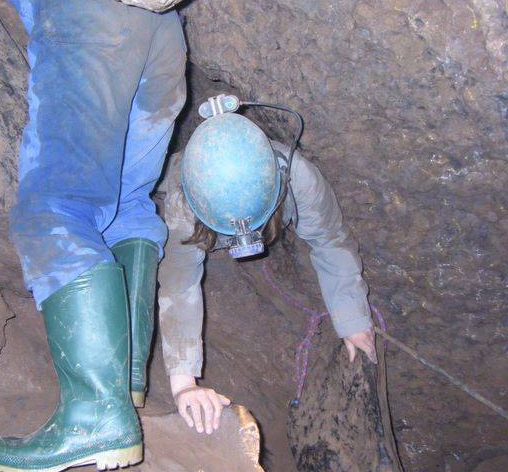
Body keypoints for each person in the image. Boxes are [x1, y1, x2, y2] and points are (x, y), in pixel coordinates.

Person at [0, 0, 213, 471]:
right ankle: (125, 376)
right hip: (162, 31)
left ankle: (96, 416)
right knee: (127, 201)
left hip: (89, 16)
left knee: (56, 203)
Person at [155, 110, 377, 436]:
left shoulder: (297, 175)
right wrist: (184, 384)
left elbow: (330, 240)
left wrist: (352, 318)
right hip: (184, 202)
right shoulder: (182, 202)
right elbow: (179, 284)